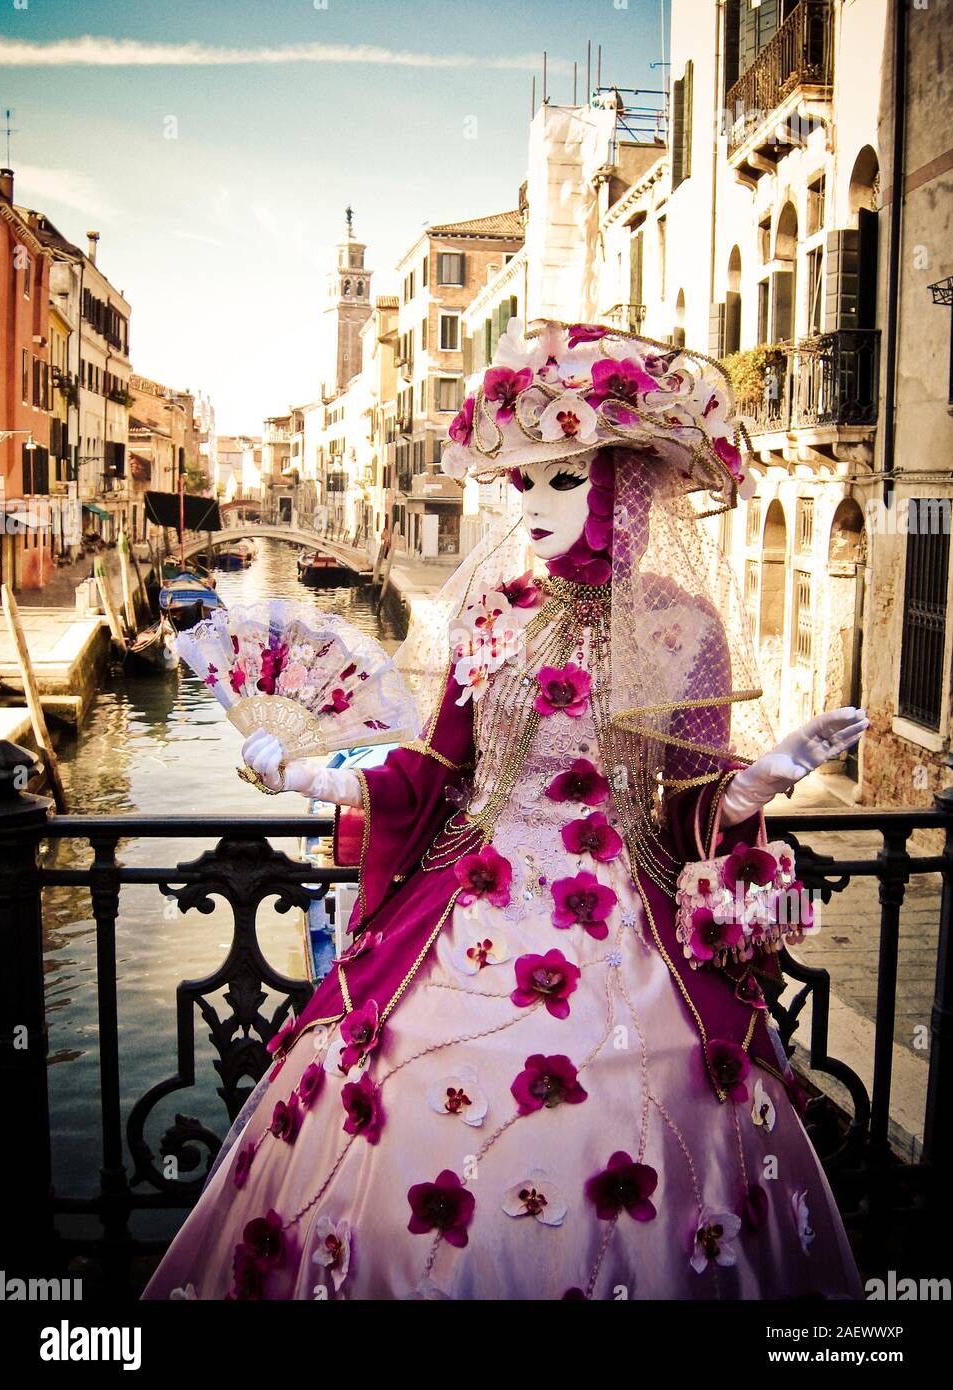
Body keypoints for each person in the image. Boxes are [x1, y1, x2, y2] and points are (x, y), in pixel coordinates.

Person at [143, 319, 866, 1301]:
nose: (529, 503)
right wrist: (310, 777)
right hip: (469, 908)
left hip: (632, 921)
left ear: (624, 487)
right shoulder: (487, 613)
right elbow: (433, 770)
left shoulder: (682, 626)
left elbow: (692, 802)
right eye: (521, 478)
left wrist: (764, 776)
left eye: (561, 479)